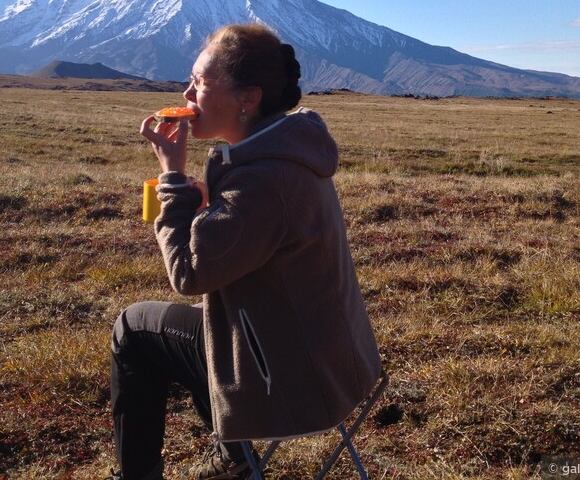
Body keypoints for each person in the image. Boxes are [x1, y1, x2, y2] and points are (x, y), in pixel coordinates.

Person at [110, 24, 382, 480]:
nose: (186, 93)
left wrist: (173, 177)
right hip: (332, 359)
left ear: (248, 98)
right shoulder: (287, 149)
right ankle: (232, 454)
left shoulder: (263, 181)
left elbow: (190, 274)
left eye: (200, 83)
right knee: (196, 323)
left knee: (133, 329)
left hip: (291, 380)